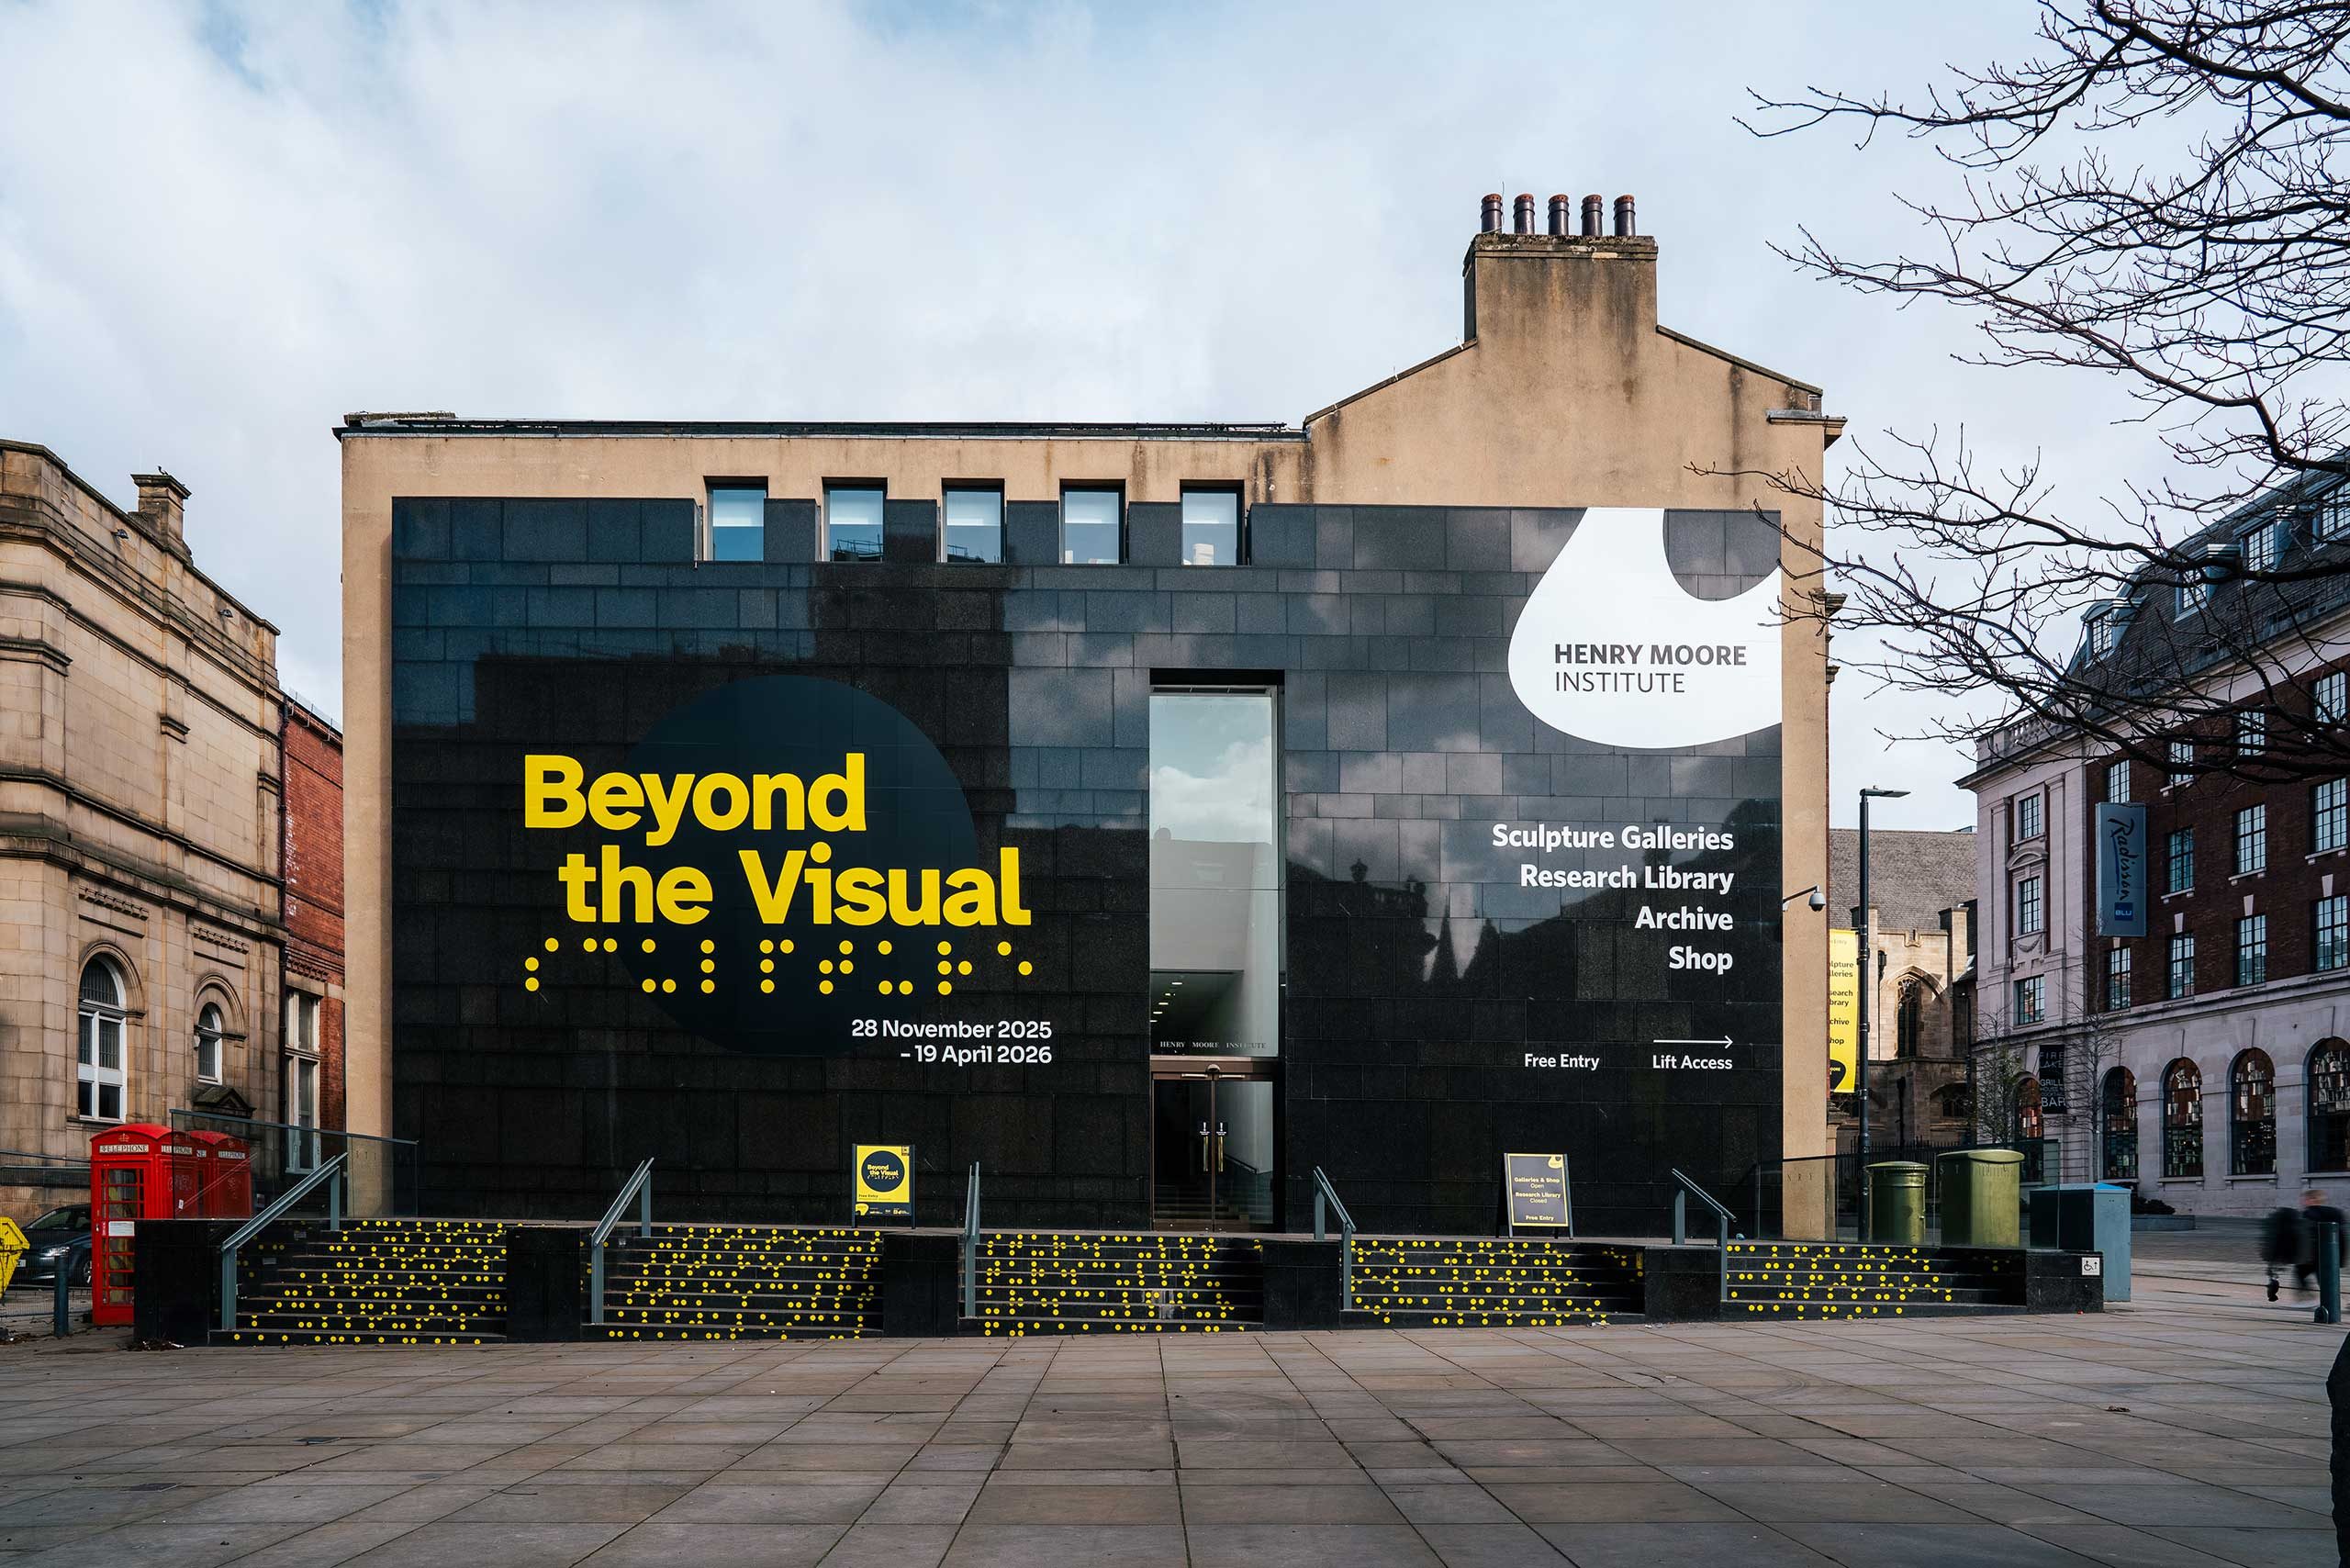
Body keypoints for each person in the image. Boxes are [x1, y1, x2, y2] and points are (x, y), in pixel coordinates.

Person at [2296, 1188, 2349, 1297]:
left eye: (2305, 1199)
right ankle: (2309, 1296)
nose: (2303, 1202)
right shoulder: (2335, 1212)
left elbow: (2308, 1236)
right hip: (2332, 1254)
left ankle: (2307, 1297)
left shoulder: (2308, 1213)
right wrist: (2340, 1256)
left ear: (2312, 1200)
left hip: (2315, 1255)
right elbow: (2342, 1235)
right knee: (2328, 1280)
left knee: (2305, 1274)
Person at [2263, 1202, 2304, 1302]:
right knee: (2300, 1274)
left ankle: (2272, 1292)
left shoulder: (2275, 1226)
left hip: (2276, 1256)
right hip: (2286, 1255)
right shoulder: (2294, 1226)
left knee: (2274, 1275)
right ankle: (2273, 1291)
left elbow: (2268, 1242)